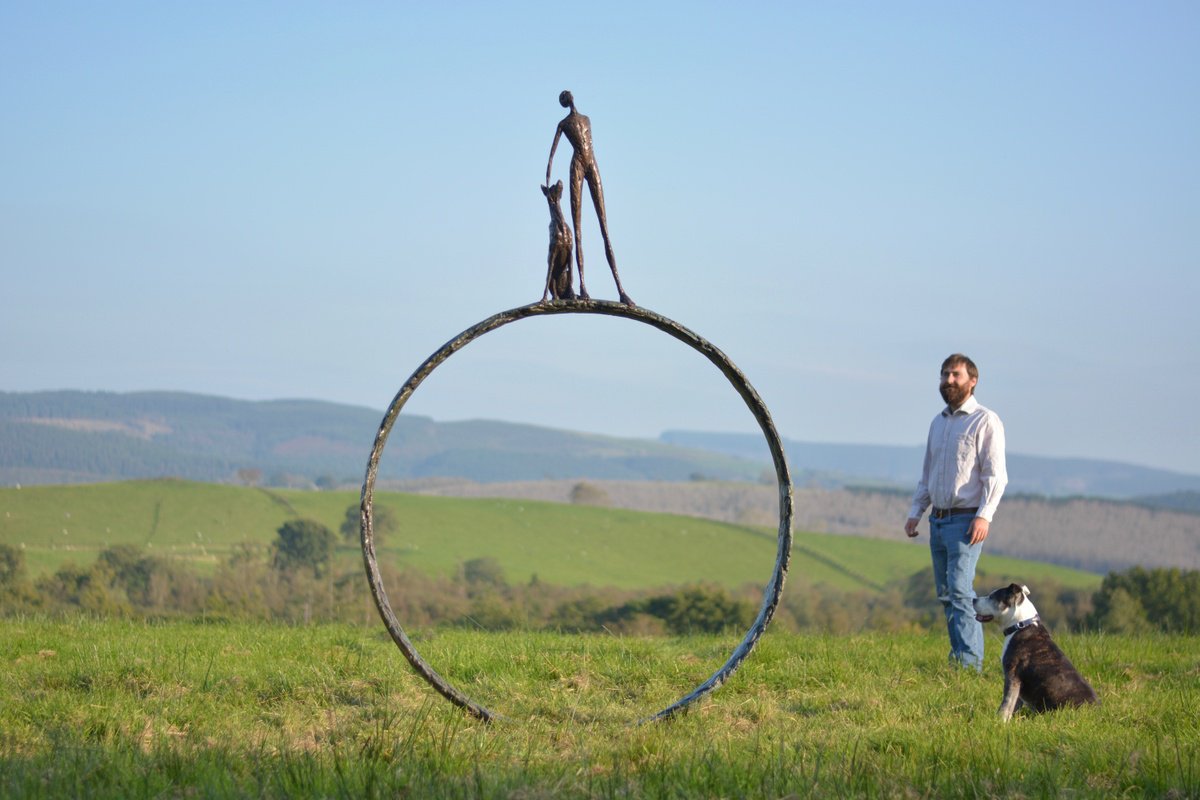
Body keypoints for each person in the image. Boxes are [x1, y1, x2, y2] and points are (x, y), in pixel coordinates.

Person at [905, 353, 1008, 670]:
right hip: (938, 519)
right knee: (947, 593)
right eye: (945, 374)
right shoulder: (938, 423)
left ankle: (969, 662)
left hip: (966, 520)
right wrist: (916, 511)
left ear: (972, 381)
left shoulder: (985, 421)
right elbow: (929, 473)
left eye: (956, 375)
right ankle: (959, 656)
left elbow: (996, 475)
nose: (948, 380)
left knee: (961, 591)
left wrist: (984, 515)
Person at [545, 90, 634, 305]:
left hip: (591, 163)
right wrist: (548, 174)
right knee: (578, 230)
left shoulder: (586, 119)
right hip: (577, 165)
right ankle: (583, 286)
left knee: (604, 227)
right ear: (565, 103)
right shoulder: (562, 124)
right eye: (565, 99)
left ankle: (621, 289)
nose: (569, 100)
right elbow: (552, 153)